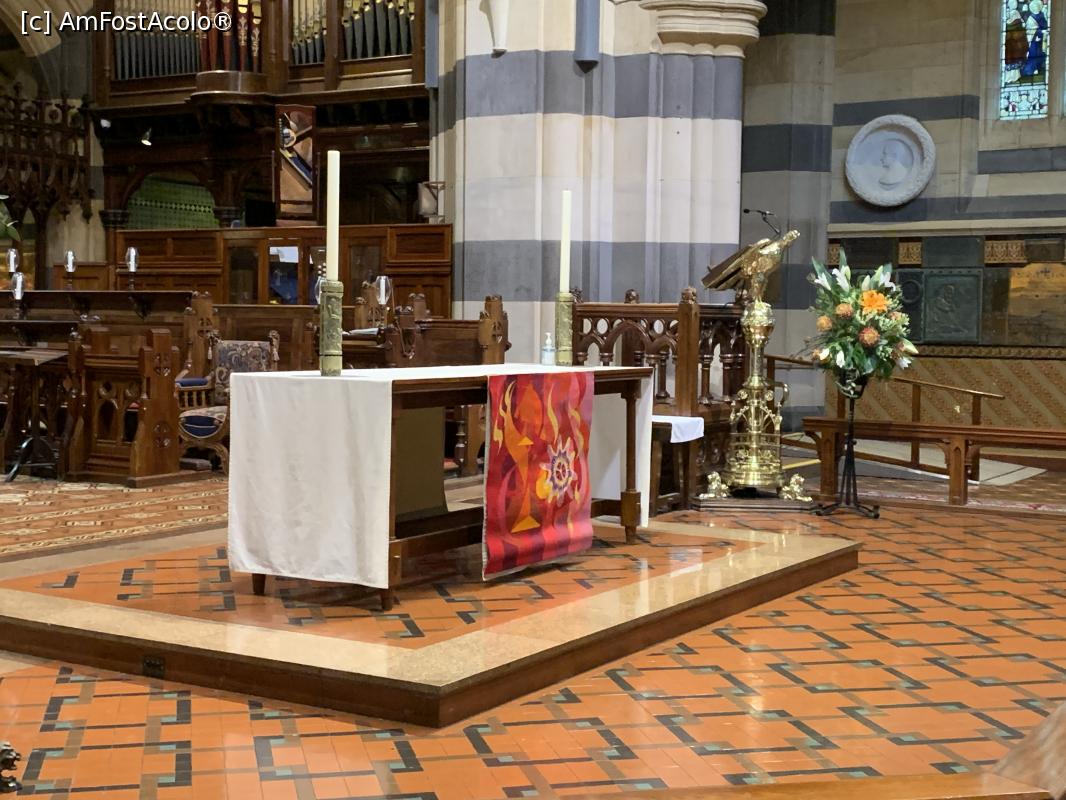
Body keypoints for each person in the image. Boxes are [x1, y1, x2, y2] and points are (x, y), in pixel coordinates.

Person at [1021, 0, 1049, 79]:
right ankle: (1031, 70)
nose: (1036, 7)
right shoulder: (1031, 18)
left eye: (1037, 6)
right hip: (1034, 40)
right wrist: (1040, 32)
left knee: (1040, 53)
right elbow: (1030, 30)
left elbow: (1045, 24)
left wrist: (1044, 30)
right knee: (1033, 54)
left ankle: (1039, 67)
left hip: (1042, 39)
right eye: (1035, 6)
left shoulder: (1041, 15)